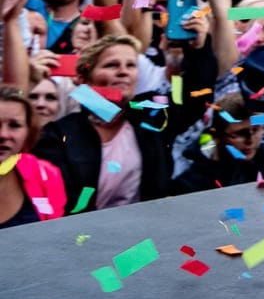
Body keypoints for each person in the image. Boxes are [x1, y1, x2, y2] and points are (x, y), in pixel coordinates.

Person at [32, 33, 211, 211]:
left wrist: (198, 48)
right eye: (111, 65)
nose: (123, 71)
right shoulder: (58, 135)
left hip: (145, 234)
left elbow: (196, 97)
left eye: (131, 65)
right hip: (80, 236)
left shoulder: (151, 115)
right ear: (83, 78)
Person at [0, 87, 66, 226]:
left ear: (29, 132)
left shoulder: (46, 174)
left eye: (14, 125)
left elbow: (54, 234)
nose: (3, 135)